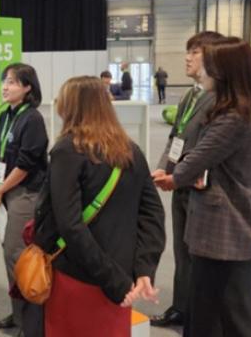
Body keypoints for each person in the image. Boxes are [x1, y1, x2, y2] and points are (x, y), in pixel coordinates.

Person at [154, 39, 251, 337]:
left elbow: (200, 157)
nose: (202, 70)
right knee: (214, 308)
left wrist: (174, 177)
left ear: (225, 72)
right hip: (225, 226)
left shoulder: (234, 116)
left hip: (223, 228)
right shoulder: (239, 109)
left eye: (208, 65)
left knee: (230, 312)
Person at [35, 76, 165, 337]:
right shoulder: (131, 150)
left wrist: (112, 279)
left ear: (70, 106)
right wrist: (143, 269)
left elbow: (70, 225)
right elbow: (153, 214)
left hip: (79, 274)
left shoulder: (67, 151)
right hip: (122, 275)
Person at [149, 31, 225, 328]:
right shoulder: (190, 95)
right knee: (182, 252)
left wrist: (179, 175)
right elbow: (175, 137)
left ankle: (199, 314)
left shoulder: (221, 100)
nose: (187, 57)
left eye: (195, 52)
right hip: (180, 184)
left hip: (203, 189)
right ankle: (181, 307)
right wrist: (163, 169)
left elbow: (212, 150)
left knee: (199, 256)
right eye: (188, 51)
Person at [0, 63, 48, 336]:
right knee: (9, 253)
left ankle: (30, 322)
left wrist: (0, 189)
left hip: (26, 192)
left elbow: (25, 164)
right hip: (5, 192)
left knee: (17, 254)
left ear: (27, 87)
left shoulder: (32, 119)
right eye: (4, 81)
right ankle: (18, 312)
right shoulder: (5, 116)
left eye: (12, 82)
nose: (5, 86)